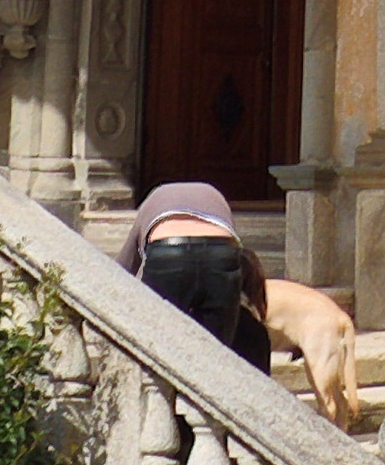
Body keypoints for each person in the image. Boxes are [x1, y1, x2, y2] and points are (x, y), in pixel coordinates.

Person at [118, 178, 364, 430]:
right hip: (221, 251)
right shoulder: (216, 199)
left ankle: (167, 428)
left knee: (163, 349)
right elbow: (237, 253)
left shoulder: (152, 204)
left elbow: (123, 270)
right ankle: (220, 430)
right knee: (217, 354)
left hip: (167, 251)